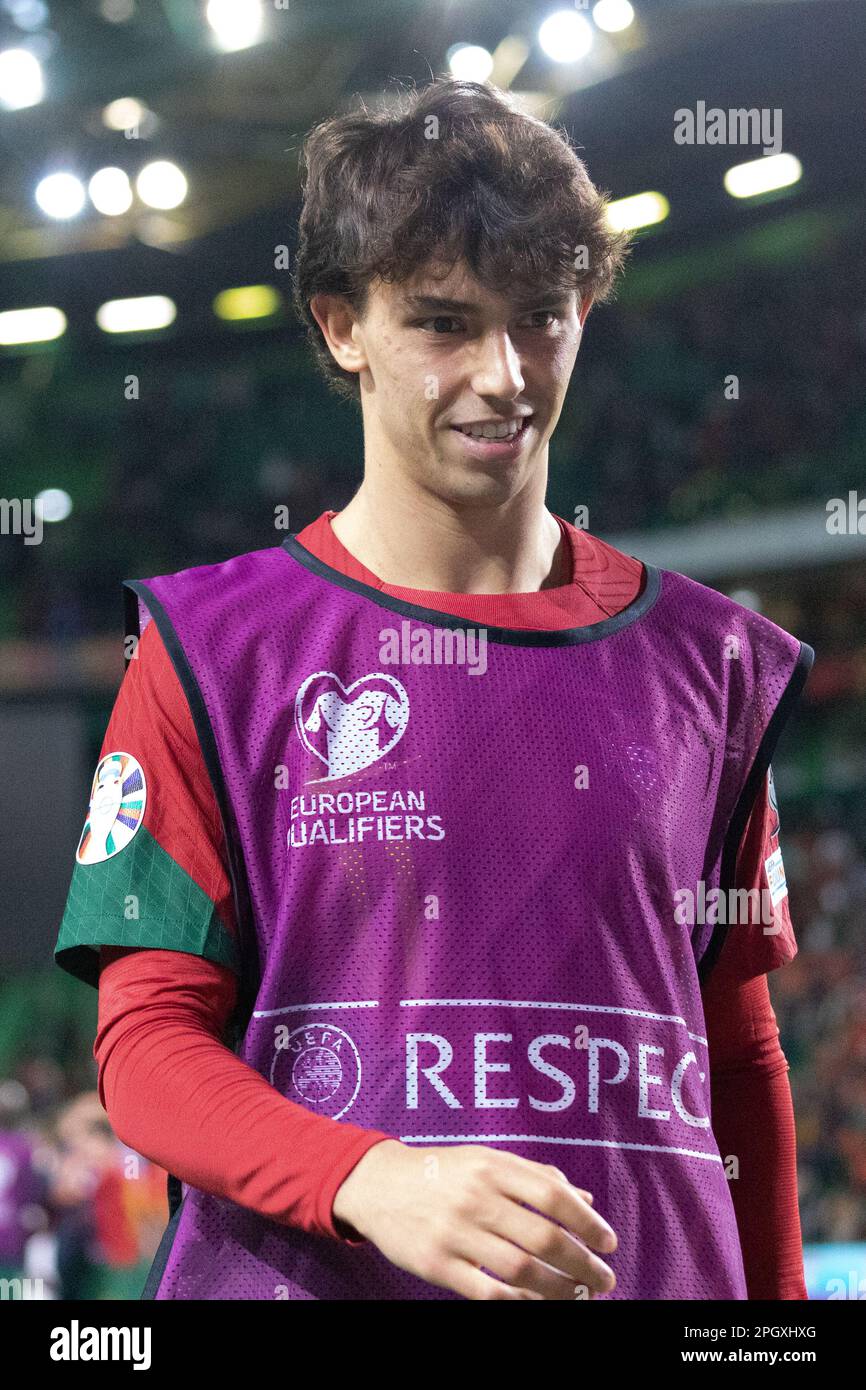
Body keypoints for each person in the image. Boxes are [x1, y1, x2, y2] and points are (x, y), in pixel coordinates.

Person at [54, 77, 813, 1300]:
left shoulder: (710, 662)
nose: (503, 375)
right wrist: (367, 1176)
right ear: (342, 324)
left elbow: (739, 1054)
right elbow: (145, 1044)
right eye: (444, 324)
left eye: (542, 317)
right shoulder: (209, 649)